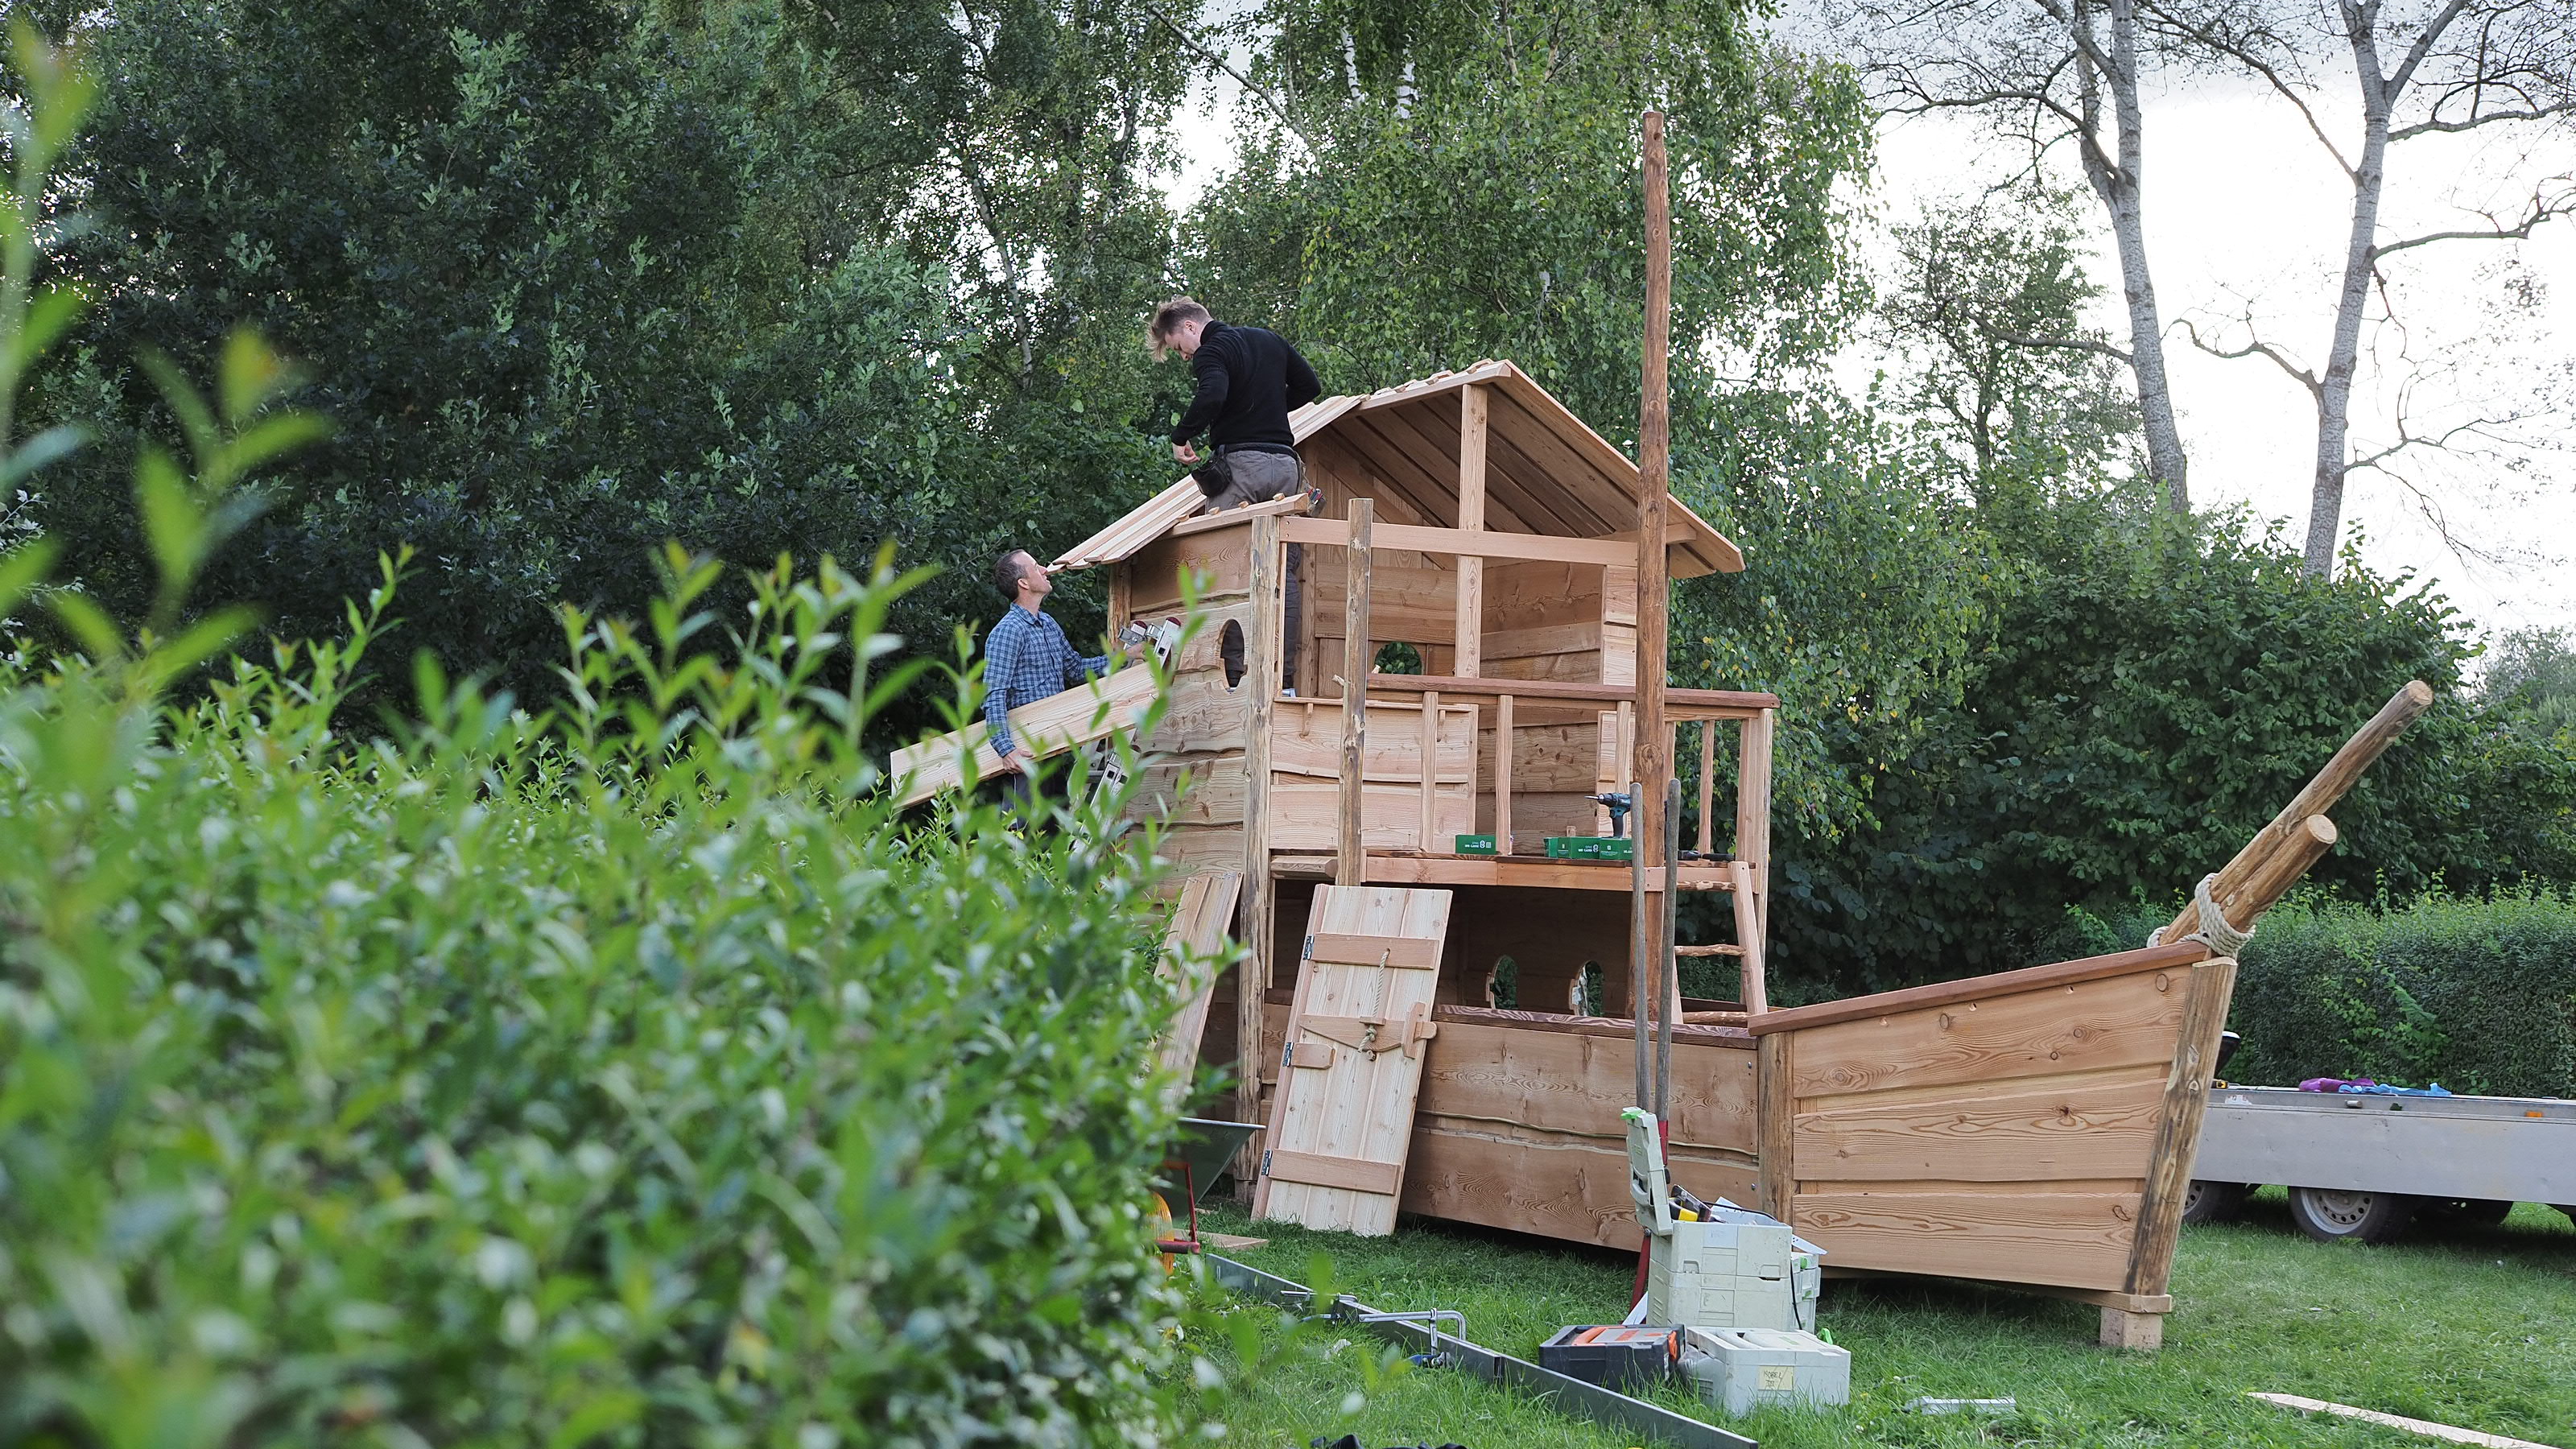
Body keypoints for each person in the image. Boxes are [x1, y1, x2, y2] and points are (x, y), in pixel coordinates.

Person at [982, 547, 1133, 826]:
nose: (1044, 570)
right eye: (1036, 566)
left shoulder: (1048, 625)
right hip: (1024, 753)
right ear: (1023, 583)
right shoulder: (1007, 632)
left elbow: (1075, 668)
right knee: (1020, 832)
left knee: (1055, 831)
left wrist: (1124, 659)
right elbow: (993, 695)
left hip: (1053, 747)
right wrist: (1006, 750)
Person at [1150, 297, 1322, 513]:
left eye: (1178, 347)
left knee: (1225, 544)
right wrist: (1266, 407)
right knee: (1285, 544)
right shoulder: (1270, 339)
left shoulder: (1211, 350)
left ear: (1190, 327)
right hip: (1285, 467)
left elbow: (1212, 395)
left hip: (1243, 469)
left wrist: (1181, 436)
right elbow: (1310, 386)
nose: (1184, 356)